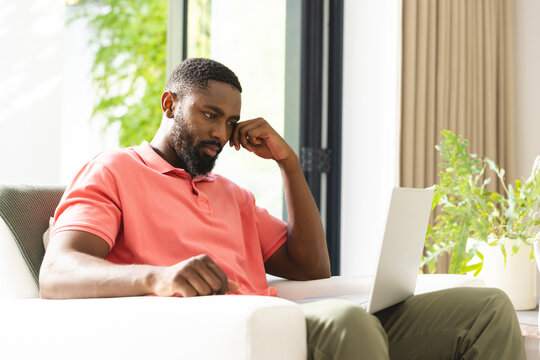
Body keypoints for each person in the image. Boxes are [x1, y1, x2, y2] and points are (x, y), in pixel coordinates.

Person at [40, 58, 525, 359]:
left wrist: (289, 164)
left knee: (485, 308)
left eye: (229, 122)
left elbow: (312, 265)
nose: (219, 133)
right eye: (209, 114)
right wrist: (158, 277)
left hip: (286, 326)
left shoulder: (230, 193)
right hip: (217, 333)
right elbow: (58, 272)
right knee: (347, 322)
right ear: (170, 104)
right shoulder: (114, 170)